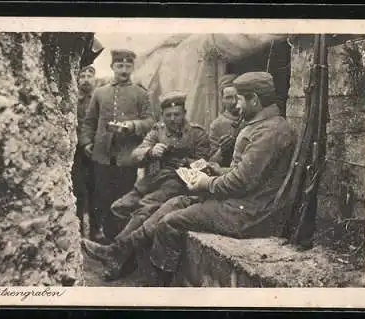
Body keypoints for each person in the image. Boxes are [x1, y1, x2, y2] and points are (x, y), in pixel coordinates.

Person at [81, 72, 297, 286]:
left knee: (170, 222)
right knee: (174, 203)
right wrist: (215, 169)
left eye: (239, 99)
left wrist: (206, 182)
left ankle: (159, 284)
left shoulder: (269, 131)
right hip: (240, 202)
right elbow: (243, 174)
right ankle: (117, 252)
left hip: (249, 213)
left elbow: (240, 182)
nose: (235, 106)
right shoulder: (263, 126)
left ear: (255, 100)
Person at [82, 91, 211, 280]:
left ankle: (116, 254)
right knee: (119, 208)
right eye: (168, 115)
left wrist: (186, 162)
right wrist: (151, 151)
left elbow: (204, 164)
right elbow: (136, 154)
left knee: (144, 208)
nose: (173, 119)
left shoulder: (197, 133)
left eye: (177, 114)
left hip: (179, 183)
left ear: (184, 112)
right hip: (154, 180)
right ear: (162, 116)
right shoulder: (158, 131)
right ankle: (124, 258)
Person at [80, 49, 155, 242]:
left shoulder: (140, 93)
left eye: (128, 66)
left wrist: (132, 126)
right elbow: (90, 121)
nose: (124, 70)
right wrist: (87, 142)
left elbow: (149, 121)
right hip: (102, 155)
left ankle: (118, 237)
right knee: (99, 196)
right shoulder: (100, 92)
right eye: (120, 65)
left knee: (123, 198)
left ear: (132, 67)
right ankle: (96, 234)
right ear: (113, 67)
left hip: (127, 156)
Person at [71, 65, 98, 239]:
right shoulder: (73, 98)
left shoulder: (99, 98)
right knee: (79, 191)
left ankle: (95, 232)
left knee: (96, 190)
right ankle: (78, 231)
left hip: (96, 151)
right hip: (77, 153)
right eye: (83, 75)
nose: (86, 79)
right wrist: (84, 143)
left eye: (90, 75)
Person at [208, 74, 244, 167]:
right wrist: (222, 149)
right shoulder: (217, 125)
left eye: (237, 97)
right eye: (229, 97)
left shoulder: (249, 119)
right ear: (222, 100)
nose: (234, 102)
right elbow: (211, 161)